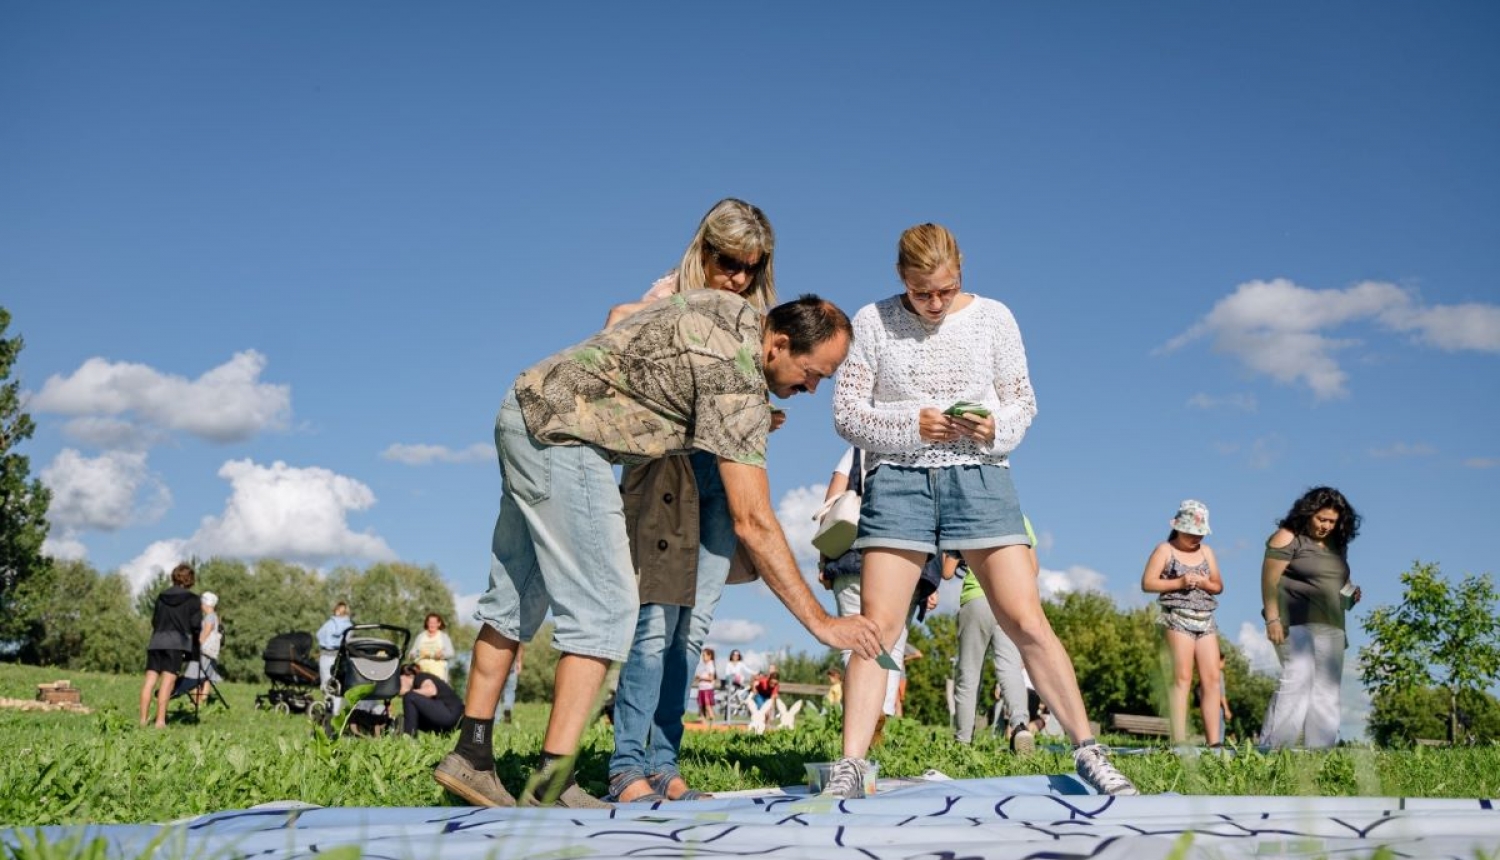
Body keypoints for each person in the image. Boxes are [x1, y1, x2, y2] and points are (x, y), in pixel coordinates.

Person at [432, 292, 881, 809]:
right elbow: (753, 522)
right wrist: (823, 624)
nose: (811, 388)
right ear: (777, 344)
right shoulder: (738, 387)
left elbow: (626, 318)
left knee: (518, 595)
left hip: (526, 406)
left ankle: (472, 755)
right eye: (813, 373)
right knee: (608, 608)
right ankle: (550, 786)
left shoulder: (729, 311)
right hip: (568, 441)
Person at [825, 222, 1136, 798]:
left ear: (960, 270)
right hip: (898, 481)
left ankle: (1089, 752)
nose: (935, 303)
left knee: (1023, 618)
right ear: (901, 279)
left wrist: (995, 428)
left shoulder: (995, 317)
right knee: (877, 629)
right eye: (921, 293)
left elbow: (1023, 403)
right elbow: (846, 414)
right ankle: (851, 765)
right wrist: (910, 423)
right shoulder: (871, 321)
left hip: (981, 477)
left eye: (945, 289)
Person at [604, 199, 782, 804]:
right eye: (727, 262)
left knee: (691, 631)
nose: (737, 277)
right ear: (701, 251)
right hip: (664, 476)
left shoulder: (754, 320)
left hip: (719, 477)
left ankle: (663, 761)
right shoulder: (667, 296)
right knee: (653, 625)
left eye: (750, 268)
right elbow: (616, 332)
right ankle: (626, 766)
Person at [1259, 486, 1362, 749]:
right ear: (1308, 513)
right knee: (1297, 678)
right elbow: (1269, 582)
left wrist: (1350, 595)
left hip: (1332, 624)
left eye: (1332, 521)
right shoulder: (1287, 537)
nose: (1326, 525)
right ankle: (1275, 749)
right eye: (1321, 519)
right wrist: (1272, 619)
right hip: (1293, 621)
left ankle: (1320, 751)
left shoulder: (1336, 545)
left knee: (1327, 692)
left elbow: (1335, 582)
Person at [1140, 499, 1225, 747]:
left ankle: (1214, 743)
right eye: (1192, 533)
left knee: (1211, 678)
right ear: (1179, 528)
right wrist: (1179, 582)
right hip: (1177, 617)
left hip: (1205, 618)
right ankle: (1178, 740)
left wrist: (1203, 582)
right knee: (1183, 677)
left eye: (1200, 533)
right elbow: (1148, 583)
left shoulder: (1207, 553)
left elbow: (1218, 585)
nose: (1196, 538)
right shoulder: (1164, 550)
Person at [954, 519, 1039, 751]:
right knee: (1010, 668)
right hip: (1009, 600)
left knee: (968, 673)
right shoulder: (1019, 518)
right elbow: (1033, 569)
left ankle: (962, 741)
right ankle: (1021, 727)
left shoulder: (964, 513)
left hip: (976, 598)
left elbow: (946, 570)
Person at [139, 563, 201, 728]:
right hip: (176, 643)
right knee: (167, 683)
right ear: (190, 580)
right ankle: (160, 722)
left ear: (174, 577)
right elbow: (196, 625)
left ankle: (143, 720)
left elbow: (155, 621)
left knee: (150, 681)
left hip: (156, 641)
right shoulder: (193, 600)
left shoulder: (161, 596)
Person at [400, 664, 464, 736]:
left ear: (409, 675)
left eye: (400, 680)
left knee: (409, 696)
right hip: (453, 719)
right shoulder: (417, 687)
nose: (399, 685)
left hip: (450, 714)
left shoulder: (419, 676)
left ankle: (408, 739)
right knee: (407, 717)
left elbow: (431, 691)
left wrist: (407, 692)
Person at [183, 591, 224, 707]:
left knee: (192, 676)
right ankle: (203, 700)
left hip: (203, 651)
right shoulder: (215, 616)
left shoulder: (210, 617)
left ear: (206, 604)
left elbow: (206, 632)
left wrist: (196, 644)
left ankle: (197, 702)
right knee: (206, 677)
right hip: (209, 652)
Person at [316, 601, 352, 715]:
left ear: (336, 610)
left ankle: (328, 709)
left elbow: (319, 635)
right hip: (340, 657)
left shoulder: (328, 624)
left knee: (326, 684)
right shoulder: (349, 626)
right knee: (339, 685)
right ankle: (337, 712)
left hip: (326, 655)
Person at [409, 612, 457, 682]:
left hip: (438, 673)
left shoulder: (443, 637)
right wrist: (416, 655)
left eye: (434, 622)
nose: (432, 625)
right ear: (427, 623)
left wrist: (441, 655)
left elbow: (451, 653)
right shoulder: (420, 636)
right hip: (421, 671)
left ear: (439, 623)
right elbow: (411, 654)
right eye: (430, 622)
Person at [500, 643, 524, 724]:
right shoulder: (515, 632)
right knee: (510, 691)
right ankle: (507, 708)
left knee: (496, 692)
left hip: (499, 665)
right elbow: (520, 645)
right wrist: (519, 661)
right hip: (512, 666)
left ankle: (495, 718)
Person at [694, 648, 717, 725]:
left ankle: (712, 721)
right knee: (701, 706)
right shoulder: (704, 665)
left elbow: (711, 678)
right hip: (702, 688)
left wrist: (700, 678)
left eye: (704, 655)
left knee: (707, 706)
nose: (703, 657)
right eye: (702, 656)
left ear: (710, 656)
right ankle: (704, 722)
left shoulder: (710, 664)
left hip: (707, 688)